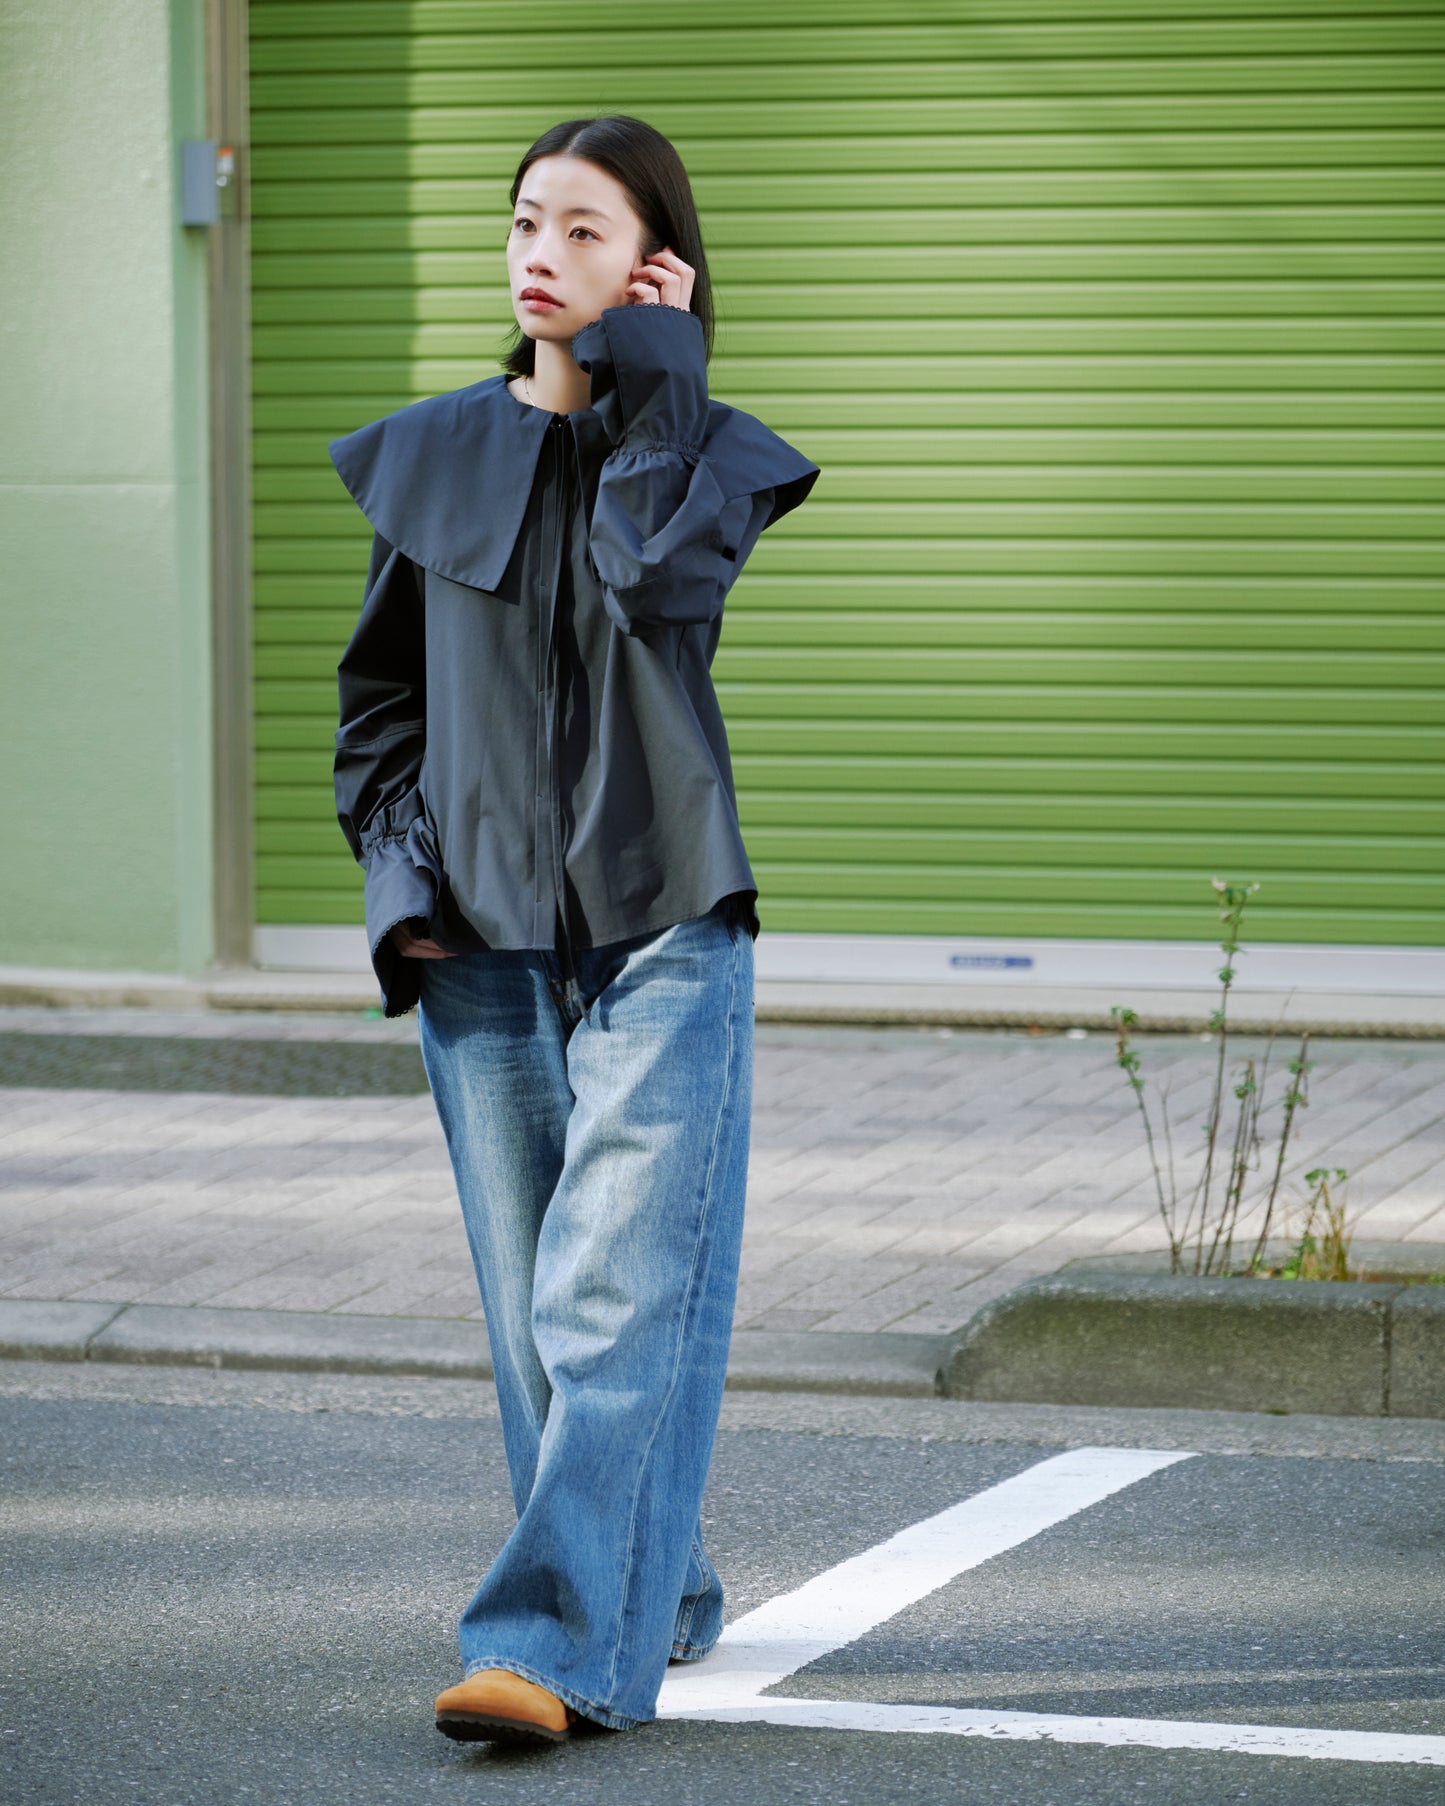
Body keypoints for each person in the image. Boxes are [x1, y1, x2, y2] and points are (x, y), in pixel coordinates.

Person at [327, 115, 821, 1746]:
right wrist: (404, 902)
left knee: (613, 1293)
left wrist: (656, 383)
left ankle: (546, 1643)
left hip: (664, 922)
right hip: (474, 941)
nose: (541, 250)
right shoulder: (427, 455)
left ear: (653, 267)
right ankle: (652, 1582)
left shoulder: (709, 457)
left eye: (586, 231)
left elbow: (653, 585)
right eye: (527, 220)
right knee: (535, 1312)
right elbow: (378, 711)